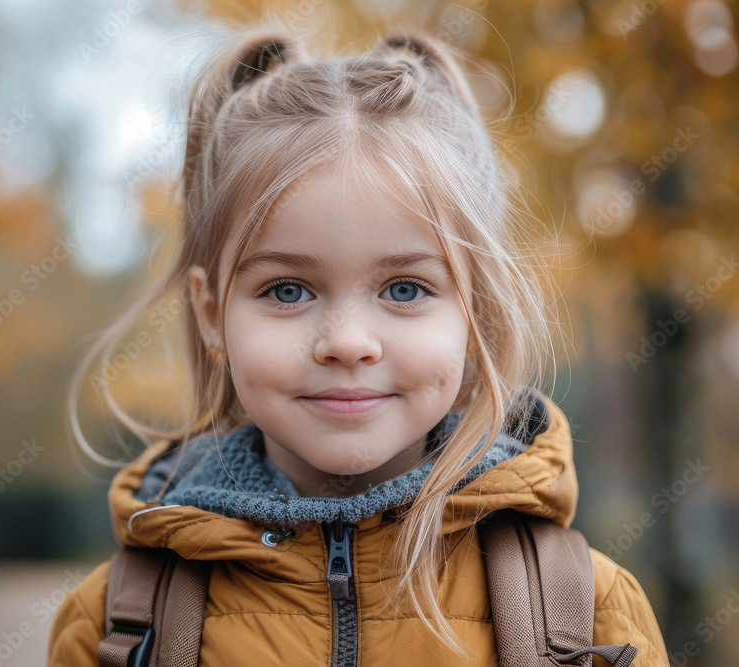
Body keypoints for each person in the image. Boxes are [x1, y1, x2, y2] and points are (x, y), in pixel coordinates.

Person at [48, 19, 670, 666]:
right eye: (288, 290)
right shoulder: (113, 625)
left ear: (475, 310)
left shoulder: (588, 612)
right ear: (211, 313)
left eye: (404, 289)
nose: (346, 342)